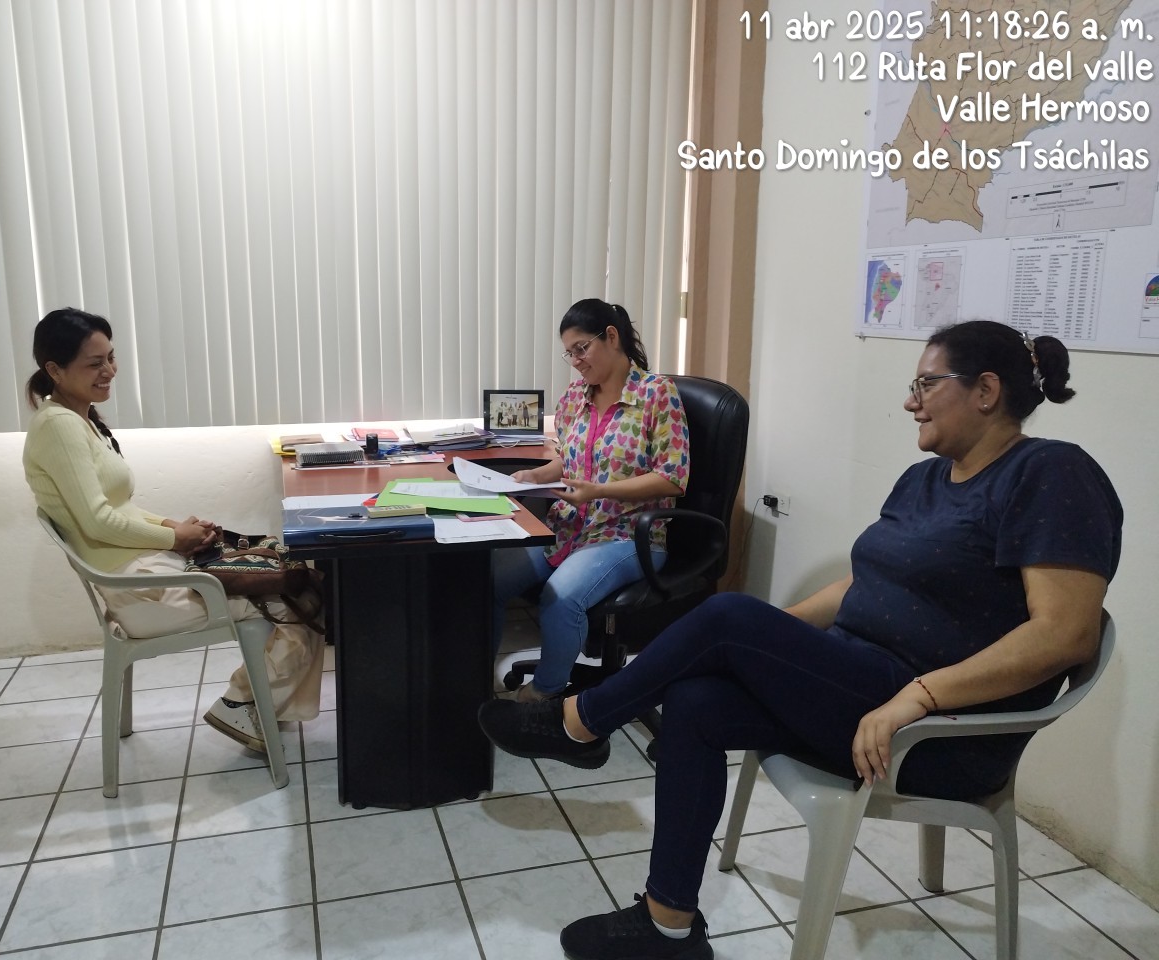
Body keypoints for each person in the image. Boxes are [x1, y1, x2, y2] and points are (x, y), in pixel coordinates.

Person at [479, 320, 1122, 960]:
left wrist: (917, 698)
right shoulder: (924, 479)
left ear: (986, 390)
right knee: (697, 701)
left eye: (926, 384)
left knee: (729, 617)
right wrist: (765, 641)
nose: (910, 402)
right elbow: (860, 584)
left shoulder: (1050, 472)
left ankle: (581, 723)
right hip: (859, 686)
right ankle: (669, 925)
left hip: (934, 731)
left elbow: (1064, 635)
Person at [23, 308, 325, 753]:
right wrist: (174, 539)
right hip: (140, 593)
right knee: (299, 598)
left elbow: (117, 508)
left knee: (294, 582)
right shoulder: (60, 427)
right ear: (55, 370)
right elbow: (97, 521)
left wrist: (174, 527)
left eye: (111, 357)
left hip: (144, 571)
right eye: (94, 363)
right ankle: (242, 704)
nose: (109, 371)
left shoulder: (76, 419)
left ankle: (259, 703)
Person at [493, 298, 690, 702]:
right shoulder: (574, 397)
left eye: (581, 348)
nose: (576, 362)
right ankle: (469, 676)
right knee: (489, 580)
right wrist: (534, 476)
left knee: (560, 598)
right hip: (569, 527)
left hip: (628, 535)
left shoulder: (657, 395)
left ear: (611, 337)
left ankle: (545, 694)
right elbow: (568, 458)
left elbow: (672, 478)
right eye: (570, 353)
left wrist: (599, 491)